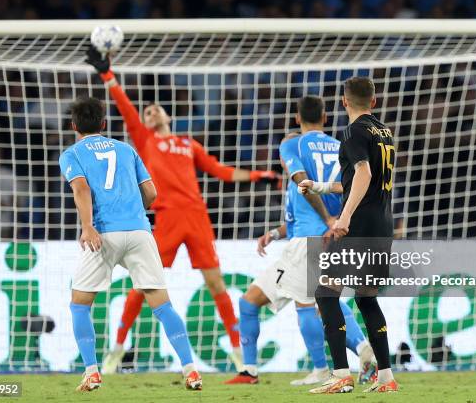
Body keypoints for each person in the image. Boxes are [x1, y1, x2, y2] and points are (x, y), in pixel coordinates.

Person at [84, 46, 278, 373]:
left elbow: (221, 171)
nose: (150, 113)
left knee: (217, 285)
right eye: (146, 113)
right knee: (142, 285)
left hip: (198, 218)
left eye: (155, 110)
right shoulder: (145, 141)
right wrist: (108, 74)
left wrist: (260, 175)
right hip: (168, 219)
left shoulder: (189, 144)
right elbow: (125, 106)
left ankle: (237, 351)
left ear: (168, 116)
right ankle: (117, 347)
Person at [225, 97, 376, 386]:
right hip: (325, 236)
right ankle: (250, 370)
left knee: (309, 302)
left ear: (296, 118)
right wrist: (276, 233)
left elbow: (304, 185)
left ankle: (347, 355)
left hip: (311, 239)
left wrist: (328, 220)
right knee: (251, 302)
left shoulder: (292, 144)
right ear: (326, 117)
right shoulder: (341, 146)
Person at [59, 97, 202, 391]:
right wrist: (134, 212)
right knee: (162, 305)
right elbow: (151, 193)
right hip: (140, 232)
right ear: (104, 123)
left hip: (103, 234)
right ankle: (190, 370)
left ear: (74, 126)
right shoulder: (126, 150)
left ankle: (92, 372)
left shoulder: (72, 153)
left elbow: (82, 188)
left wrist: (87, 227)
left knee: (79, 305)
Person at [300, 77, 398, 393]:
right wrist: (321, 186)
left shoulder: (353, 131)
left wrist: (344, 217)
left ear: (344, 102)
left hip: (360, 223)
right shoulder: (384, 132)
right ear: (374, 100)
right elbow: (360, 179)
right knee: (366, 298)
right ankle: (386, 378)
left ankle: (341, 374)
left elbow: (364, 174)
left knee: (325, 292)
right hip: (383, 224)